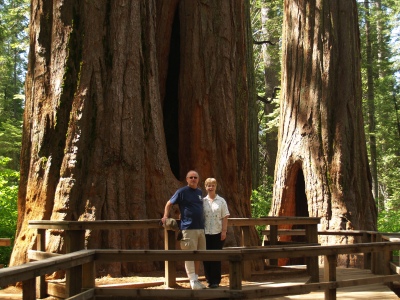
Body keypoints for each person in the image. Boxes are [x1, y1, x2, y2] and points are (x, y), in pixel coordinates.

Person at [162, 170, 206, 290]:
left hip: (200, 228)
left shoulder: (199, 192)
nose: (193, 179)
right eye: (190, 177)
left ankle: (196, 279)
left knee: (199, 255)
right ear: (187, 179)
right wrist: (165, 216)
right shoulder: (182, 192)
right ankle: (192, 280)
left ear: (198, 179)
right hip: (188, 228)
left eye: (195, 177)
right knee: (189, 254)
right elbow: (169, 203)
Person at [202, 178, 230, 288]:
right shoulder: (203, 201)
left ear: (216, 186)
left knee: (216, 257)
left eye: (213, 185)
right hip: (205, 233)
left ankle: (216, 281)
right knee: (206, 257)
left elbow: (225, 217)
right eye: (208, 185)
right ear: (205, 187)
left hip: (217, 232)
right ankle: (208, 279)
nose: (211, 187)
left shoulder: (221, 201)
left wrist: (224, 231)